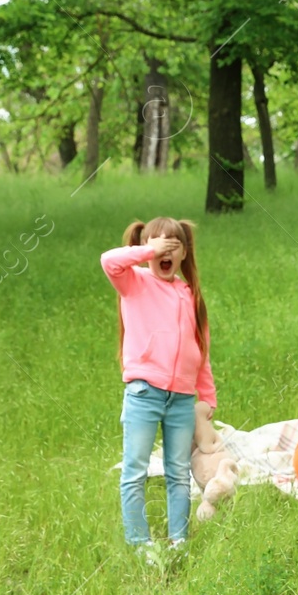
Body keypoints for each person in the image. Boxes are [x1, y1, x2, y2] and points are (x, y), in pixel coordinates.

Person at [101, 216, 217, 565]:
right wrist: (148, 250)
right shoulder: (134, 282)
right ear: (146, 249)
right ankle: (140, 543)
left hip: (181, 399)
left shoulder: (189, 294)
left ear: (183, 253)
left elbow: (202, 351)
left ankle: (178, 540)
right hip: (144, 393)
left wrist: (206, 396)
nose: (165, 248)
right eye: (158, 242)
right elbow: (108, 259)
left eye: (174, 244)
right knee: (134, 470)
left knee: (178, 472)